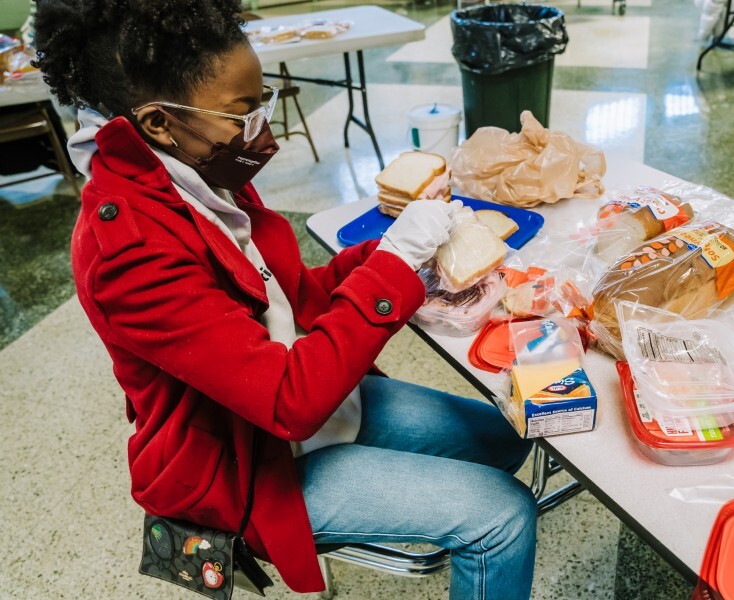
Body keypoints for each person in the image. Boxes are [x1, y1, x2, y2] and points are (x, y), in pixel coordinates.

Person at [32, 1, 537, 598]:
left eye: (262, 103)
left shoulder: (192, 176)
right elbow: (287, 400)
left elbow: (288, 303)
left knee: (507, 435)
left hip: (300, 406)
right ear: (159, 123)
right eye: (242, 114)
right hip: (245, 460)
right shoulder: (129, 252)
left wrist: (398, 261)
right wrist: (395, 267)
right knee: (502, 516)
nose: (260, 132)